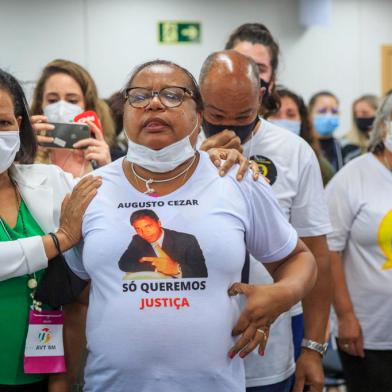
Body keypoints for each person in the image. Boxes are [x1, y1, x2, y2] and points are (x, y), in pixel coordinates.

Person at [62, 59, 317, 392]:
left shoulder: (237, 179)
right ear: (124, 113)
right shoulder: (90, 190)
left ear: (199, 116)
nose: (154, 103)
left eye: (172, 95)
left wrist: (282, 293)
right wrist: (65, 382)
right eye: (139, 96)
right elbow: (76, 300)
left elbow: (299, 258)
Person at [199, 50, 332, 392]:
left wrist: (313, 349)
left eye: (243, 114)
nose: (230, 126)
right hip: (192, 356)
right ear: (199, 100)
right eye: (216, 114)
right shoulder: (179, 147)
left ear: (261, 95)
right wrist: (198, 161)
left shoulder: (294, 151)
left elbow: (316, 254)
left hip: (268, 357)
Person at [0, 69, 101, 391]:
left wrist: (199, 163)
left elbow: (115, 201)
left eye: (2, 123)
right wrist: (59, 240)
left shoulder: (48, 179)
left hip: (45, 371)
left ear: (19, 124)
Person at [325, 92, 392, 392]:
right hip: (369, 332)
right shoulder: (353, 177)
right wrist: (345, 316)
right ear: (383, 127)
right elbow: (329, 251)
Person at [30, 59, 115, 177]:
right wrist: (23, 152)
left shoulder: (108, 157)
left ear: (87, 105)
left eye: (72, 101)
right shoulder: (27, 152)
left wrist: (106, 168)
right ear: (41, 104)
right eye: (52, 100)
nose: (61, 109)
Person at [269, 87, 335, 185]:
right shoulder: (250, 156)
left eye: (290, 114)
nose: (283, 119)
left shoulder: (321, 167)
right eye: (275, 114)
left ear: (302, 121)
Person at [118, 209, 208, 278]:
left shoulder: (187, 240)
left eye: (148, 226)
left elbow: (202, 273)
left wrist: (176, 269)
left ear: (159, 223)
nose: (144, 233)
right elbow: (123, 264)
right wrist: (157, 267)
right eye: (138, 229)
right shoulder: (137, 239)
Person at [308, 91, 347, 172]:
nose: (329, 116)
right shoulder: (303, 146)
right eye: (322, 111)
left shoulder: (345, 148)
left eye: (334, 111)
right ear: (309, 114)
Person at [342, 94, 379, 160]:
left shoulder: (388, 142)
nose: (359, 117)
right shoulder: (347, 143)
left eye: (365, 113)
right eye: (356, 114)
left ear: (379, 113)